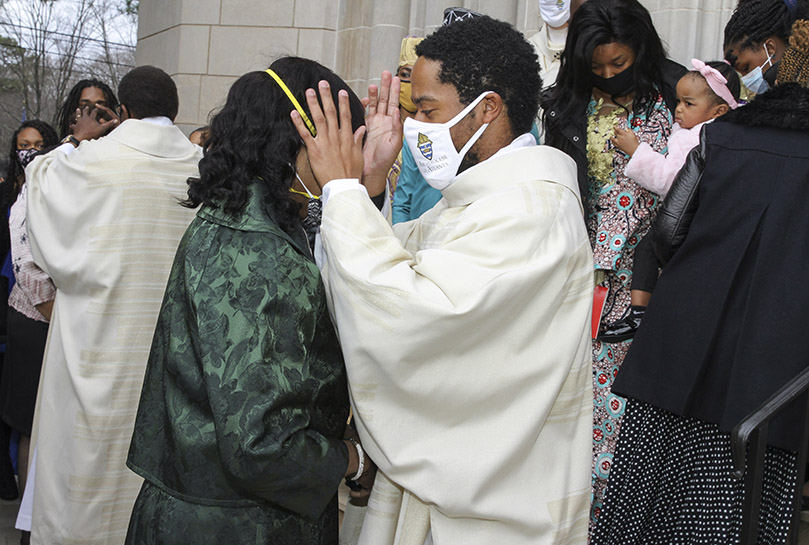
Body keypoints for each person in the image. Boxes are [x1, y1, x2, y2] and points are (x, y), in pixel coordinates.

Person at [294, 15, 594, 545]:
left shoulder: (531, 208)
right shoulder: (487, 196)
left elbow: (413, 317)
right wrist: (366, 187)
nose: (416, 129)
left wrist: (339, 192)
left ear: (488, 108)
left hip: (493, 512)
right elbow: (393, 260)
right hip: (448, 490)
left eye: (428, 111)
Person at [124, 57, 376, 545]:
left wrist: (366, 191)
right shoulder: (258, 251)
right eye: (346, 143)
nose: (353, 160)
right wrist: (352, 459)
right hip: (240, 525)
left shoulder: (242, 216)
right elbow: (261, 446)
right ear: (302, 137)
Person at [591, 19, 809, 545]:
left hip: (681, 338)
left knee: (644, 498)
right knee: (739, 506)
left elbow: (667, 230)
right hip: (774, 362)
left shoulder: (721, 135)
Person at [21, 66, 202, 544]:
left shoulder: (87, 161)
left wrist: (76, 140)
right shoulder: (203, 166)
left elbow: (37, 193)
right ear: (175, 110)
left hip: (98, 344)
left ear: (123, 110)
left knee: (90, 461)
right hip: (174, 351)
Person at [541, 0, 685, 526]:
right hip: (581, 273)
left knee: (631, 399)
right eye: (596, 66)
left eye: (618, 64)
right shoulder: (564, 105)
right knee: (579, 396)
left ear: (640, 51)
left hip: (650, 276)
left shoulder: (678, 97)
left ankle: (626, 515)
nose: (607, 76)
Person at [598, 60, 741, 341]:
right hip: (713, 223)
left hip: (689, 220)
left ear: (719, 110)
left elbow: (670, 182)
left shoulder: (694, 138)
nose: (678, 109)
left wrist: (636, 150)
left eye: (689, 103)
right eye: (678, 101)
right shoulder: (723, 134)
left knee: (648, 250)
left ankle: (639, 313)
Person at [0, 120, 59, 544]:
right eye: (24, 146)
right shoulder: (21, 194)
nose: (31, 152)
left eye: (39, 145)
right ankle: (26, 521)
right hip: (34, 319)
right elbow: (25, 267)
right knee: (26, 422)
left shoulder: (65, 179)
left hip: (64, 320)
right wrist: (58, 315)